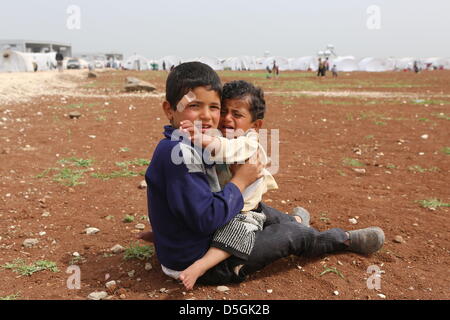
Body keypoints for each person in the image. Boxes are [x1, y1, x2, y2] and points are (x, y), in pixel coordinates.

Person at [145, 62, 385, 288]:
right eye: (194, 105)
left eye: (214, 107)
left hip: (192, 242)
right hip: (203, 261)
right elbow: (206, 218)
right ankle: (339, 239)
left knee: (259, 209)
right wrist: (242, 179)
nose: (207, 116)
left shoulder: (188, 144)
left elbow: (182, 203)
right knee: (291, 235)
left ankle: (296, 221)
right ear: (169, 110)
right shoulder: (180, 153)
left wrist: (165, 234)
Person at [177, 80, 280, 290]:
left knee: (236, 234)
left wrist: (200, 138)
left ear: (255, 125)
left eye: (237, 114)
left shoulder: (249, 142)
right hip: (224, 203)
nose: (226, 119)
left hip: (245, 210)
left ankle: (200, 267)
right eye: (223, 111)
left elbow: (227, 149)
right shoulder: (219, 136)